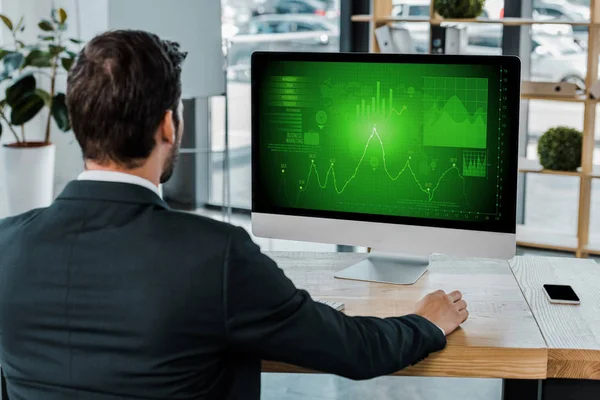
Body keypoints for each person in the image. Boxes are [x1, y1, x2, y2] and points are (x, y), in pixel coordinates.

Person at [0, 30, 468, 400]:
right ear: (169, 123)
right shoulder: (215, 256)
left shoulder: (6, 245)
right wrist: (424, 321)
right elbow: (352, 349)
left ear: (78, 122)